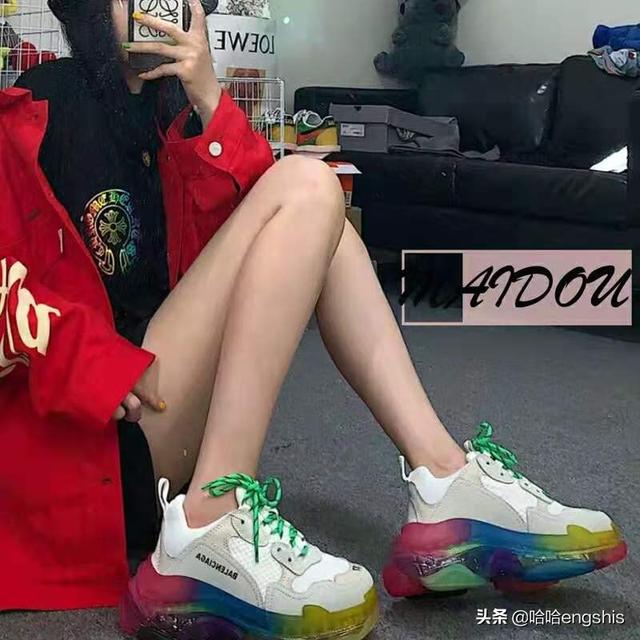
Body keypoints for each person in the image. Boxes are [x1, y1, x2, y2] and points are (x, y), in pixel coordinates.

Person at [0, 0, 626, 638]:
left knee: (327, 222)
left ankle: (444, 478)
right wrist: (90, 359)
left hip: (163, 408)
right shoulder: (43, 104)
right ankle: (211, 520)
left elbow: (279, 227)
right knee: (308, 186)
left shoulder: (174, 111)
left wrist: (210, 98)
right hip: (102, 440)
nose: (161, 9)